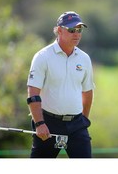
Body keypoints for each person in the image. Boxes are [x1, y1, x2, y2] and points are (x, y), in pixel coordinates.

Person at [26, 11, 95, 158]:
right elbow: (33, 93)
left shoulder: (84, 58)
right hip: (48, 124)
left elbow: (87, 92)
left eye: (79, 30)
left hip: (77, 125)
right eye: (71, 30)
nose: (76, 34)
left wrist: (84, 119)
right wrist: (39, 124)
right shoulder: (42, 57)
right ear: (59, 30)